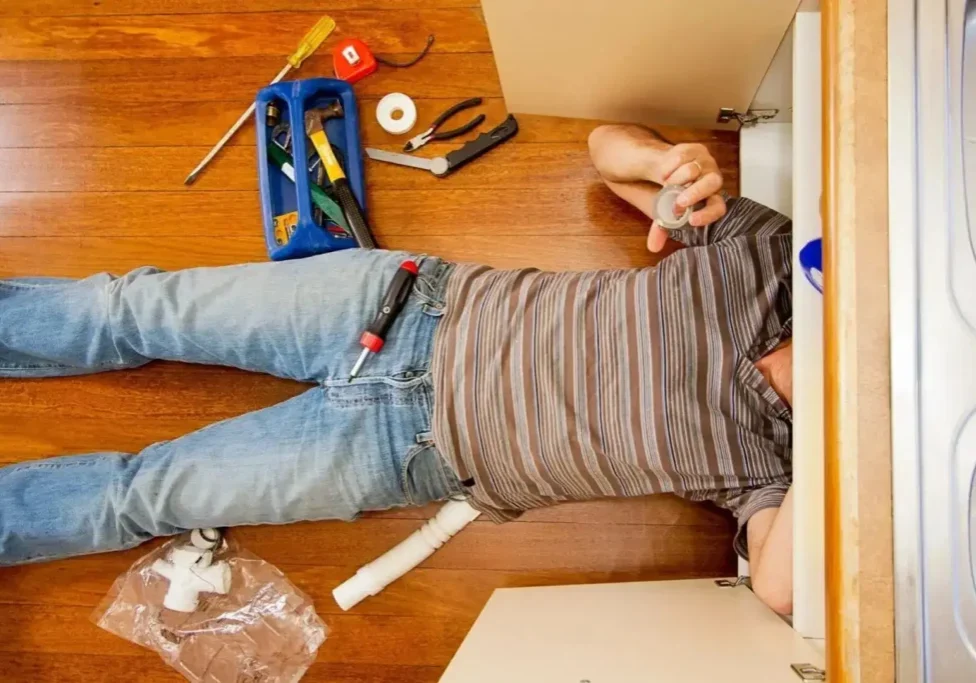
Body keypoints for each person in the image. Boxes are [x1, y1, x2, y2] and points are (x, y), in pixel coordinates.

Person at [0, 124, 794, 615]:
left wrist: (839, 431)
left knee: (149, 494)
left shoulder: (790, 469)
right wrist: (666, 162)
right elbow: (606, 152)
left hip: (403, 451)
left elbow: (779, 587)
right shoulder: (776, 255)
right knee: (134, 310)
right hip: (405, 304)